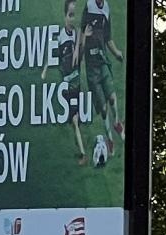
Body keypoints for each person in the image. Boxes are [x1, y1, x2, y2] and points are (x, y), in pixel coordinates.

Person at [41, 0, 88, 163]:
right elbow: (54, 54)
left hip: (74, 83)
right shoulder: (61, 37)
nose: (72, 19)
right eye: (70, 15)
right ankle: (82, 151)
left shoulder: (75, 33)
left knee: (75, 120)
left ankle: (83, 154)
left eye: (74, 15)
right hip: (68, 84)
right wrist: (45, 70)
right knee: (74, 120)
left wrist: (83, 41)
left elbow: (79, 53)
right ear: (64, 16)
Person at [81, 0, 125, 154]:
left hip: (103, 61)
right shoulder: (89, 7)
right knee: (104, 109)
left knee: (112, 98)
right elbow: (82, 36)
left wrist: (117, 53)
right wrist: (84, 40)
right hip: (92, 68)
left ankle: (117, 123)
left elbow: (108, 38)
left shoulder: (106, 8)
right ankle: (110, 140)